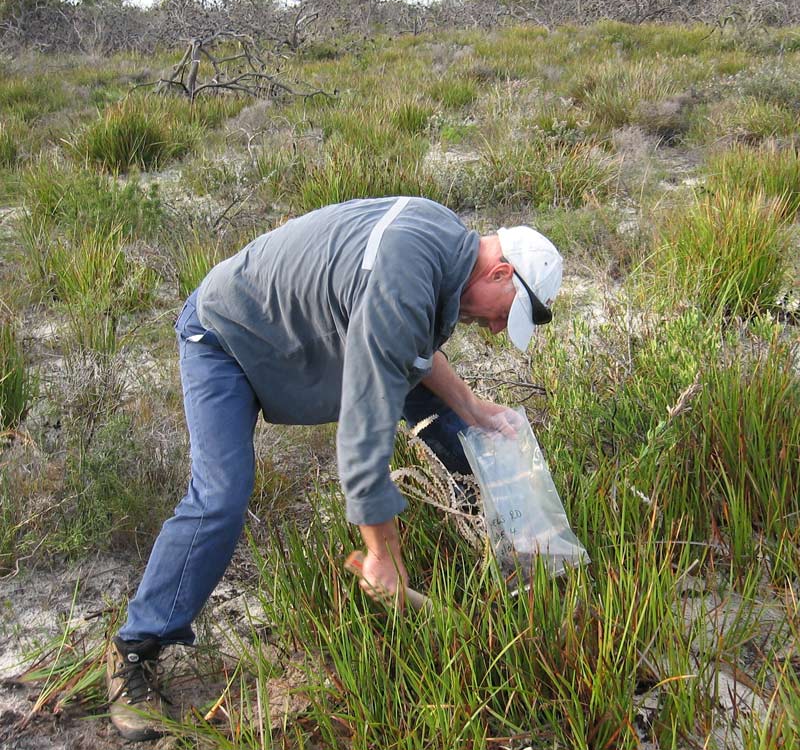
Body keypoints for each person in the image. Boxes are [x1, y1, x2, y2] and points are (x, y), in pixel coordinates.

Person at [106, 196, 563, 740]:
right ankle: (135, 649)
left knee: (462, 426)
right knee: (221, 495)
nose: (493, 329)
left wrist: (470, 405)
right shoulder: (407, 272)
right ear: (501, 270)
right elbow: (362, 433)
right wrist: (382, 553)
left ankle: (506, 552)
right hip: (227, 337)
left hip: (298, 339)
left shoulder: (443, 243)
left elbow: (408, 352)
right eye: (502, 313)